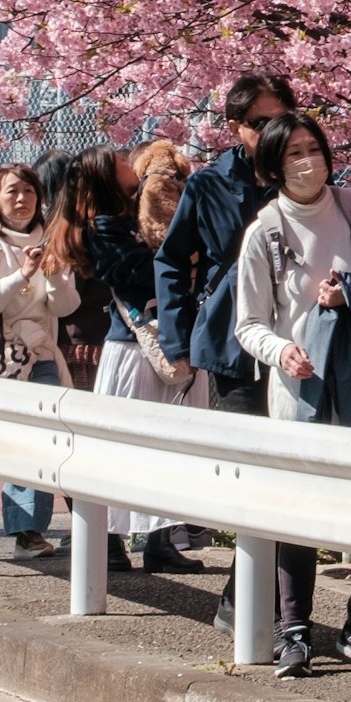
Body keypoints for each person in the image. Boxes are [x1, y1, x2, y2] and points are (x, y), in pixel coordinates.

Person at [230, 111, 351, 677]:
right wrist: (281, 350)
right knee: (299, 512)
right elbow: (248, 322)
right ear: (274, 166)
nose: (308, 160)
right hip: (299, 389)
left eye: (315, 148)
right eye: (294, 153)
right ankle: (295, 630)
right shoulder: (264, 231)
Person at [0, 163, 76, 556]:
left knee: (36, 439)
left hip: (38, 354)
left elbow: (67, 305)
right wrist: (22, 274)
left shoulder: (52, 241)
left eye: (29, 191)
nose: (21, 200)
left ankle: (28, 532)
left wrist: (53, 274)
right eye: (12, 192)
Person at [94, 140, 203, 576]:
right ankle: (109, 540)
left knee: (171, 447)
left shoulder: (171, 211)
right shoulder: (107, 224)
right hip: (133, 343)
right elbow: (136, 273)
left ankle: (162, 539)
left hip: (175, 339)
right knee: (121, 446)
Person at [157, 72, 296, 410]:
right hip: (232, 336)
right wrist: (177, 342)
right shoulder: (208, 185)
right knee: (244, 440)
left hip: (297, 333)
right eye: (259, 123)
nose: (271, 132)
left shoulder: (308, 179)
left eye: (282, 121)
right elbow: (171, 260)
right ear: (236, 128)